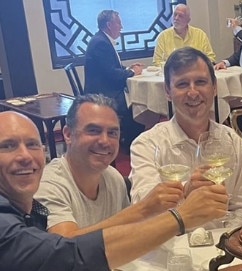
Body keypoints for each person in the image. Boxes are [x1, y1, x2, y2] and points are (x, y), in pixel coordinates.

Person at [0, 111, 227, 271]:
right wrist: (180, 217)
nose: (25, 156)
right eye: (7, 146)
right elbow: (66, 255)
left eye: (32, 145)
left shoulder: (112, 178)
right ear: (67, 135)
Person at [129, 47, 242, 227]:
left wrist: (223, 243)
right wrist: (186, 191)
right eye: (182, 84)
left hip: (224, 247)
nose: (193, 92)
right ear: (167, 91)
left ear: (214, 87)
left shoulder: (232, 140)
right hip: (171, 249)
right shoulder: (147, 145)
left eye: (201, 82)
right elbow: (144, 212)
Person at [34, 94, 184, 237]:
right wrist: (142, 209)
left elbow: (127, 235)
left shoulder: (113, 177)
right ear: (67, 134)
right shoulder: (49, 185)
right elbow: (65, 247)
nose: (104, 141)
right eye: (93, 131)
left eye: (112, 133)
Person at [84, 9, 145, 152]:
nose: (121, 26)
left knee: (137, 102)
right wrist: (130, 72)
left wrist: (128, 68)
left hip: (105, 87)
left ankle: (128, 141)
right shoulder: (101, 43)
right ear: (109, 24)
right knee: (138, 107)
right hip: (103, 92)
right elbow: (111, 74)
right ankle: (130, 144)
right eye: (119, 23)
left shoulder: (102, 39)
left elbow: (111, 67)